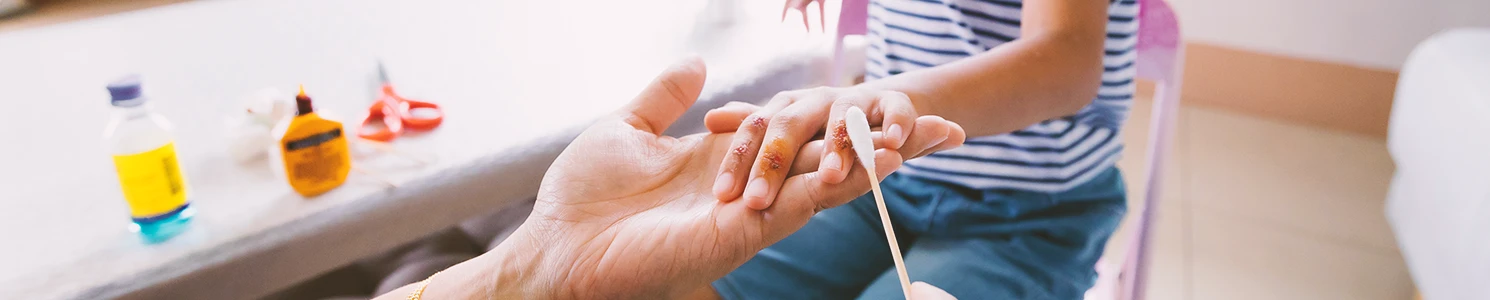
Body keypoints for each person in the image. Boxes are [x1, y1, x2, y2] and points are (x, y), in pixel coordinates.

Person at [372, 58, 967, 299]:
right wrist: (543, 259)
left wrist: (538, 264)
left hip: (1031, 219)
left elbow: (1063, 57)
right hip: (883, 189)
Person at [707, 0, 1139, 298]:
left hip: (1031, 216)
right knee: (705, 279)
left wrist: (893, 99)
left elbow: (1065, 61)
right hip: (881, 179)